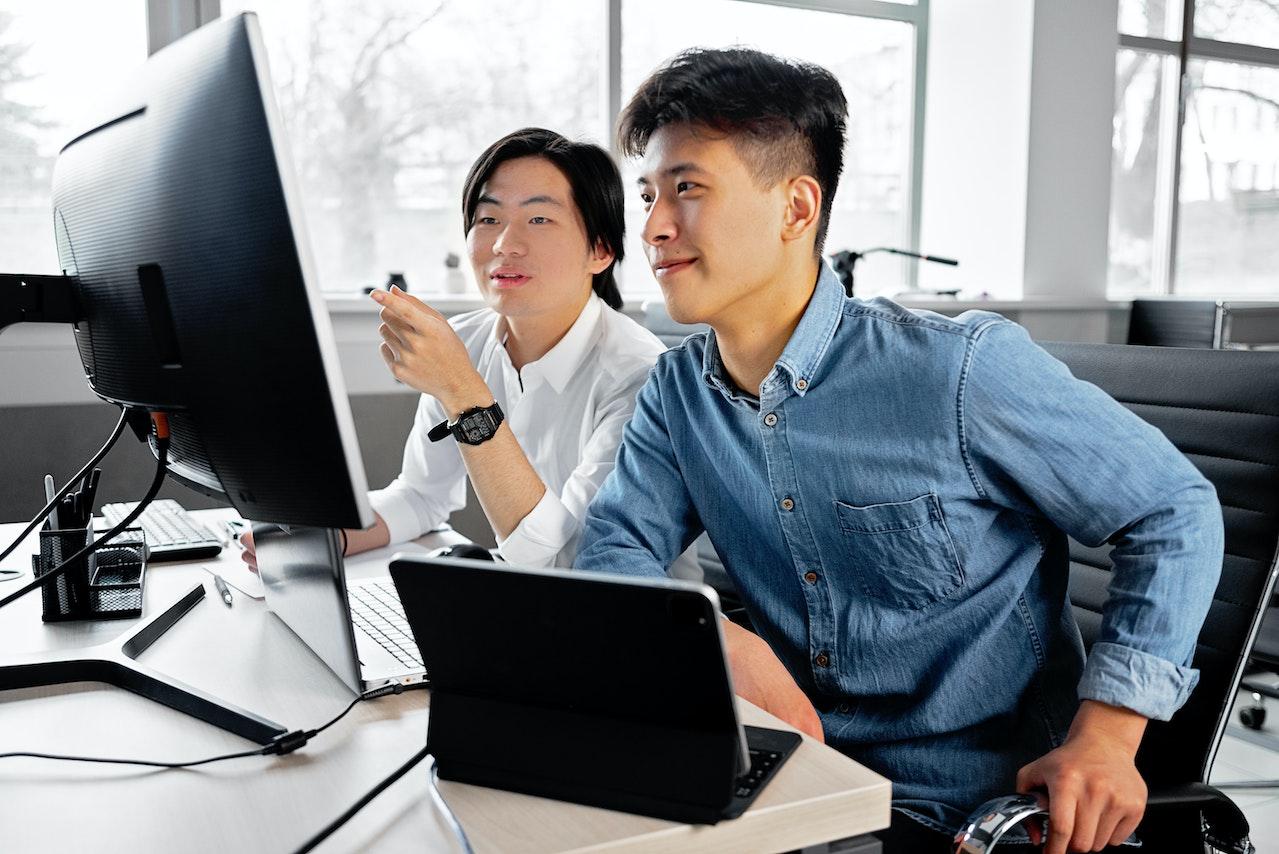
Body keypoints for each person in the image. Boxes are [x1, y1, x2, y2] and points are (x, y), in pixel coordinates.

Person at [574, 48, 1223, 854]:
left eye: (688, 189)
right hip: (796, 786)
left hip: (972, 808)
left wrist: (1108, 736)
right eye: (648, 195)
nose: (653, 227)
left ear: (795, 207)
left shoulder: (956, 370)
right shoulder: (678, 394)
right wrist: (708, 633)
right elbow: (611, 553)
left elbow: (1175, 511)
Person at [245, 127, 689, 571]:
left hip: (633, 619)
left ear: (601, 250)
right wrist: (319, 538)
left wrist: (462, 390)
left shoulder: (641, 375)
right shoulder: (466, 342)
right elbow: (421, 495)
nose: (503, 244)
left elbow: (568, 559)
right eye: (488, 219)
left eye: (538, 219)